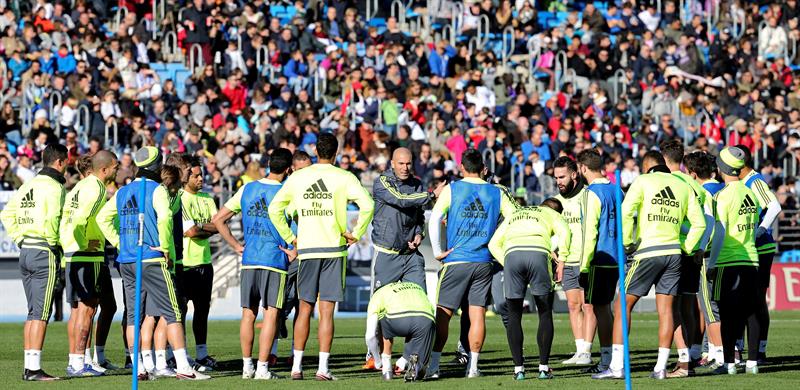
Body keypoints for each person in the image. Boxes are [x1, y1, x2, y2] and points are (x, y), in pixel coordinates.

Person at [96, 146, 209, 380]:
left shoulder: (123, 191)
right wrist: (165, 247)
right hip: (151, 258)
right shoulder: (156, 190)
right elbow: (166, 217)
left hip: (127, 260)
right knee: (173, 312)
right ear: (157, 165)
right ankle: (183, 368)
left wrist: (120, 243)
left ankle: (139, 367)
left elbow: (102, 218)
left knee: (134, 316)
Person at [268, 133, 375, 381]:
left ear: (316, 151)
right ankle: (322, 368)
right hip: (334, 250)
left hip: (307, 250)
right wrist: (356, 233)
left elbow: (276, 208)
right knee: (327, 312)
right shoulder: (344, 177)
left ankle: (296, 367)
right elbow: (368, 204)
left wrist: (291, 237)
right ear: (336, 154)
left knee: (304, 309)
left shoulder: (299, 176)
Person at [594, 150, 706, 380]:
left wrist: (626, 243)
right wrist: (688, 248)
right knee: (667, 311)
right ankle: (660, 368)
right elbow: (700, 224)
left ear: (647, 166)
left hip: (648, 252)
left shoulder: (643, 181)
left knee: (622, 305)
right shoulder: (683, 186)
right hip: (674, 253)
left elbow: (626, 212)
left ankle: (617, 367)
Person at [426, 149, 517, 379]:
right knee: (477, 314)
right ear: (483, 167)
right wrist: (496, 240)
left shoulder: (453, 188)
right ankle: (473, 367)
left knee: (443, 313)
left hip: (456, 259)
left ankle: (434, 365)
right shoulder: (496, 192)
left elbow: (435, 217)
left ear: (462, 167)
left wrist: (438, 252)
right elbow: (516, 217)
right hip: (484, 261)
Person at [213, 148, 296, 380]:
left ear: (269, 164)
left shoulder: (247, 188)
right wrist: (294, 250)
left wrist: (236, 246)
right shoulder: (287, 192)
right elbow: (301, 224)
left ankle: (246, 367)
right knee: (271, 315)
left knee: (247, 314)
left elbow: (218, 219)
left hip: (250, 260)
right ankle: (262, 368)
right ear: (288, 169)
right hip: (274, 260)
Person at [363, 147, 442, 371]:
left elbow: (418, 216)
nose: (405, 168)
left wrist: (419, 234)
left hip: (411, 256)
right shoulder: (382, 182)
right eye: (401, 164)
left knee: (419, 304)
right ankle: (374, 354)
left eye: (408, 164)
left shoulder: (416, 184)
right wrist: (432, 195)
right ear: (392, 163)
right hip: (386, 253)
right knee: (379, 308)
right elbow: (401, 199)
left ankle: (407, 359)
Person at [1, 144, 68, 381]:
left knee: (33, 313)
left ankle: (30, 367)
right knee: (41, 313)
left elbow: (6, 214)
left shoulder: (28, 184)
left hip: (26, 251)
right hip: (43, 252)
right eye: (66, 162)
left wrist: (20, 238)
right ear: (60, 162)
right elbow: (53, 218)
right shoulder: (55, 187)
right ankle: (33, 369)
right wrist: (53, 242)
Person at [488, 198, 571, 380]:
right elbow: (565, 231)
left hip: (512, 255)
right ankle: (543, 368)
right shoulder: (551, 213)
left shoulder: (514, 214)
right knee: (544, 312)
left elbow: (493, 244)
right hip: (538, 253)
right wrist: (562, 259)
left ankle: (519, 370)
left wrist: (507, 262)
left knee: (514, 314)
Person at [60, 150, 118, 377]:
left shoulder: (79, 187)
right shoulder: (97, 188)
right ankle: (78, 364)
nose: (116, 170)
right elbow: (80, 219)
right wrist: (85, 242)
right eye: (114, 167)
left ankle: (76, 360)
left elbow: (67, 216)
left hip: (71, 254)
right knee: (88, 310)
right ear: (104, 169)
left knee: (76, 311)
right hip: (86, 255)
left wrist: (72, 243)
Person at [661, 140, 712, 377]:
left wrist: (685, 243)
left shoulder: (670, 183)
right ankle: (691, 353)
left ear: (664, 159)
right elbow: (708, 220)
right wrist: (699, 247)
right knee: (689, 305)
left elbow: (674, 220)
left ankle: (683, 363)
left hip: (678, 250)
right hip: (695, 252)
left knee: (672, 308)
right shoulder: (696, 186)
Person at [708, 147, 761, 375]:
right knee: (751, 312)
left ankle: (729, 364)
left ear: (721, 169)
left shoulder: (722, 195)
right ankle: (752, 363)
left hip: (727, 262)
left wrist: (711, 264)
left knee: (727, 313)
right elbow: (755, 226)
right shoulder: (751, 193)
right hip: (751, 259)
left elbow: (720, 232)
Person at [576, 149, 623, 374]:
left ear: (583, 168)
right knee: (608, 309)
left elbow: (590, 232)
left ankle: (607, 360)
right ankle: (611, 357)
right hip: (618, 257)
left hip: (600, 258)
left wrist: (584, 266)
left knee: (600, 309)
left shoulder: (591, 193)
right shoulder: (617, 190)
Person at [736, 145, 782, 363]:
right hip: (746, 249)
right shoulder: (741, 182)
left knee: (755, 301)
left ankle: (759, 350)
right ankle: (747, 349)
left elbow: (774, 206)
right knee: (746, 299)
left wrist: (760, 230)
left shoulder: (755, 181)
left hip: (760, 248)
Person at [684, 151, 726, 368]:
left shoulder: (702, 193)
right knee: (724, 306)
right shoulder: (727, 187)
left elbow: (708, 225)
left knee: (709, 308)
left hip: (709, 255)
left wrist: (698, 246)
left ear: (692, 174)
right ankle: (727, 351)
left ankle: (719, 356)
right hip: (733, 254)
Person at [553, 156, 593, 366]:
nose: (558, 181)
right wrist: (556, 255)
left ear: (575, 174)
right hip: (567, 260)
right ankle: (579, 351)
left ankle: (587, 351)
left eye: (562, 176)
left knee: (588, 306)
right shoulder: (556, 200)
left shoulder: (588, 196)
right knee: (572, 305)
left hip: (587, 259)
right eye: (556, 177)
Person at [180, 155, 219, 369]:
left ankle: (202, 354)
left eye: (201, 174)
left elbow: (217, 225)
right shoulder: (180, 198)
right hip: (185, 264)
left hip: (204, 262)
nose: (200, 179)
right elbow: (191, 231)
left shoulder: (207, 198)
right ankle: (181, 355)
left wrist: (200, 228)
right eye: (196, 175)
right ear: (186, 177)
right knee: (181, 312)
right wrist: (205, 228)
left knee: (203, 310)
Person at [365, 281, 436, 382]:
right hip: (425, 319)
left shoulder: (377, 295)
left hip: (397, 320)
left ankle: (387, 368)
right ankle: (416, 366)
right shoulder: (416, 285)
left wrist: (377, 361)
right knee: (422, 329)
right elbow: (431, 312)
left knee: (382, 318)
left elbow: (370, 336)